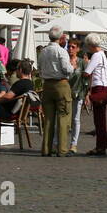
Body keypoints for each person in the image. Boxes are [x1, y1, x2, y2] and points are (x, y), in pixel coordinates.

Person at [37, 26, 72, 156]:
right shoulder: (61, 51)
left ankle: (46, 148)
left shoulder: (43, 51)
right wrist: (73, 67)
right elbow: (66, 69)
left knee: (49, 119)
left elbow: (39, 68)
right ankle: (62, 149)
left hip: (47, 85)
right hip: (61, 84)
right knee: (63, 116)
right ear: (61, 37)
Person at [82, 36, 107, 156]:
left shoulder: (96, 55)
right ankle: (101, 146)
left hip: (99, 88)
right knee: (101, 120)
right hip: (105, 87)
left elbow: (87, 72)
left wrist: (84, 63)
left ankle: (100, 147)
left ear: (91, 45)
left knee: (99, 120)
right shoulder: (103, 54)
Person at [66, 37, 87, 154]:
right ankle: (58, 143)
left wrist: (86, 95)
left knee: (75, 119)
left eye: (73, 47)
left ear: (78, 49)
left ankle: (73, 144)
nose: (70, 49)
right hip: (64, 93)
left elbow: (86, 79)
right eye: (69, 46)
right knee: (63, 119)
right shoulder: (64, 60)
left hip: (78, 93)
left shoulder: (81, 62)